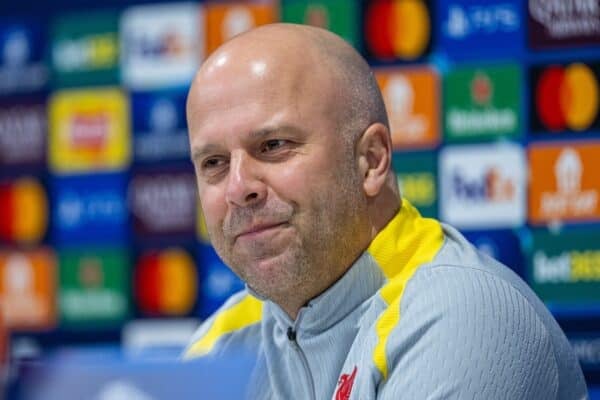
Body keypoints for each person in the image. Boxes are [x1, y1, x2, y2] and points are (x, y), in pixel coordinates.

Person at [182, 23, 587, 399]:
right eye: (214, 162)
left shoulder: (468, 314)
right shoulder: (220, 345)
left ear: (371, 160)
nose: (238, 188)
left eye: (273, 146)